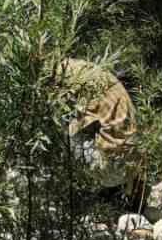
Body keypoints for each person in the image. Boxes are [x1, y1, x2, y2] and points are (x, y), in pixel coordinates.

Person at [55, 57, 138, 191]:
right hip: (131, 159)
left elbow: (77, 123)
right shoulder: (83, 69)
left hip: (113, 169)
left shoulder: (64, 80)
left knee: (61, 125)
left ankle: (69, 185)